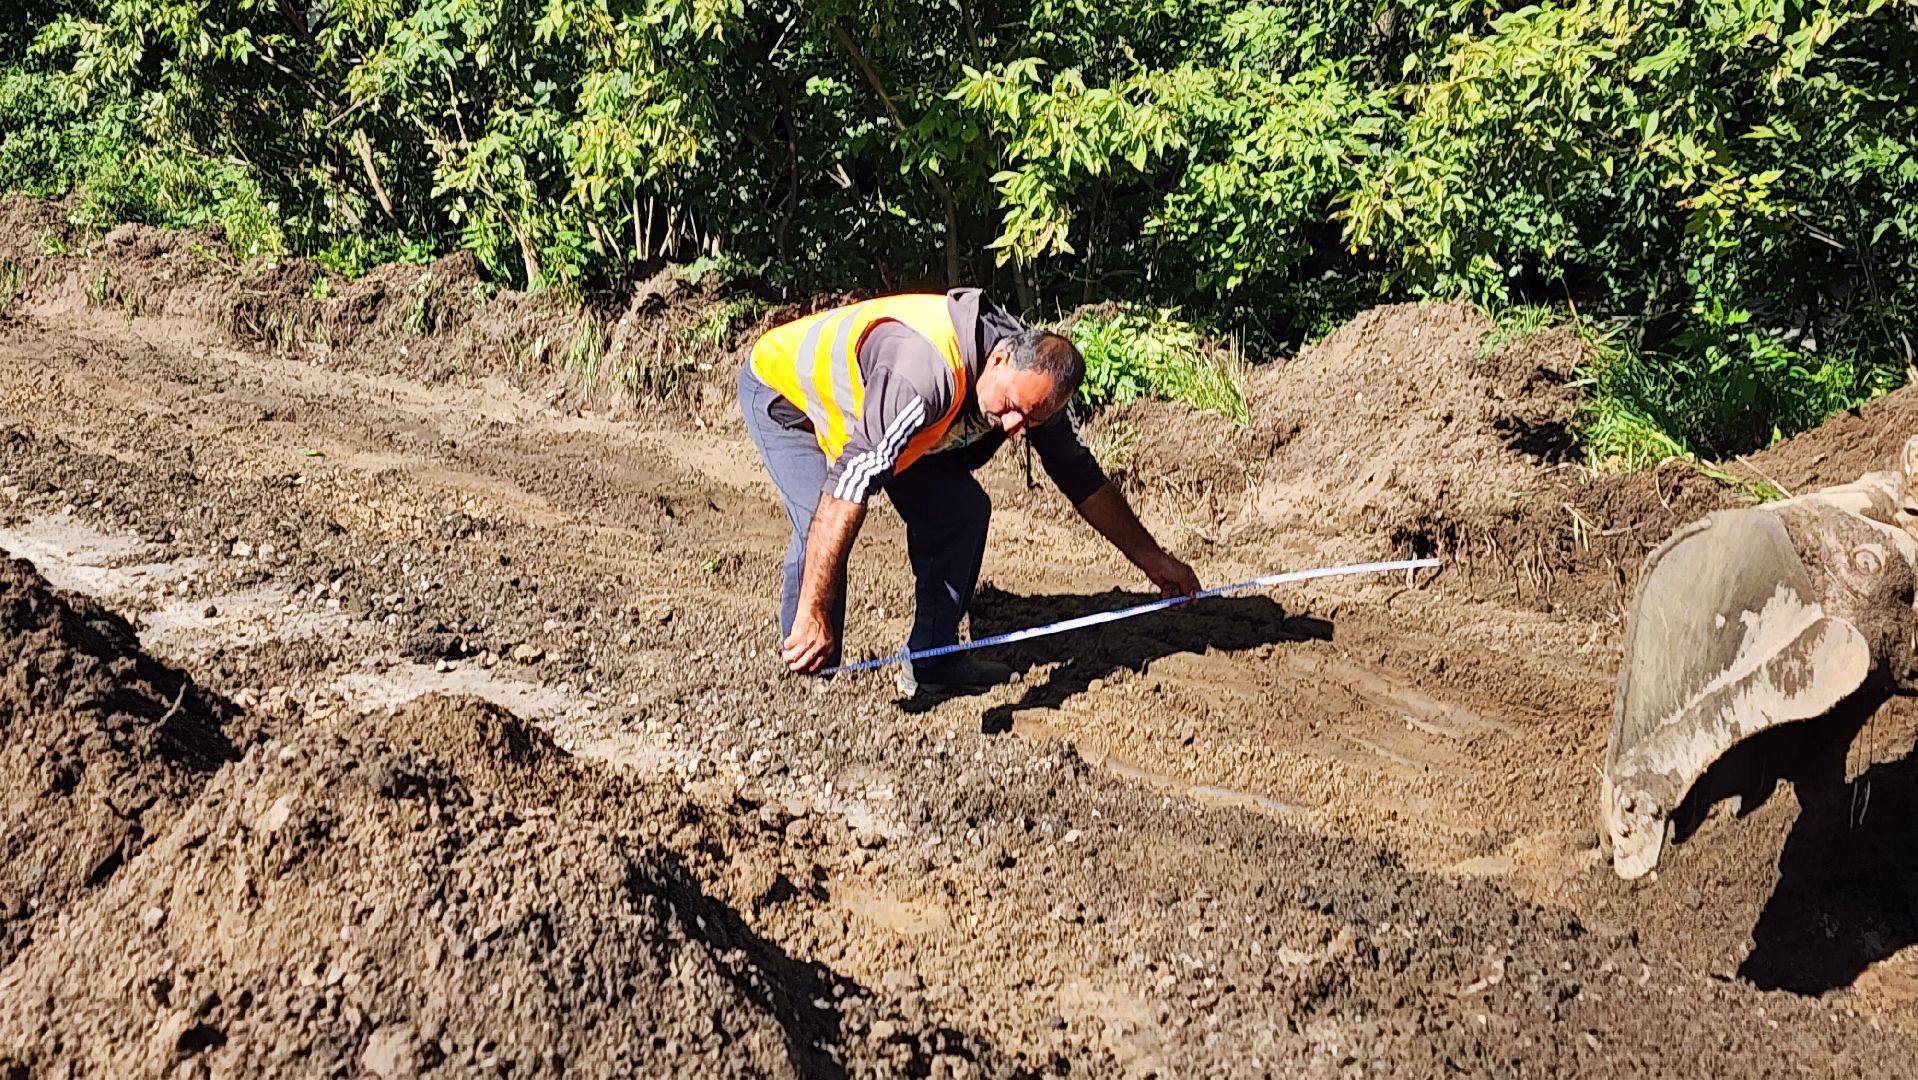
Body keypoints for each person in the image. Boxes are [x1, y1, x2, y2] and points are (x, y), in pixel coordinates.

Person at [737, 288, 1201, 696]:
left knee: (961, 511)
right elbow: (846, 490)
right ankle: (809, 675)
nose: (1017, 427)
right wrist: (815, 608)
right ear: (997, 360)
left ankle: (933, 663)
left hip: (877, 416)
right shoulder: (924, 376)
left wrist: (1155, 561)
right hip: (790, 397)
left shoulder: (1034, 385)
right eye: (1013, 409)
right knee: (816, 525)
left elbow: (1082, 478)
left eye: (1032, 419)